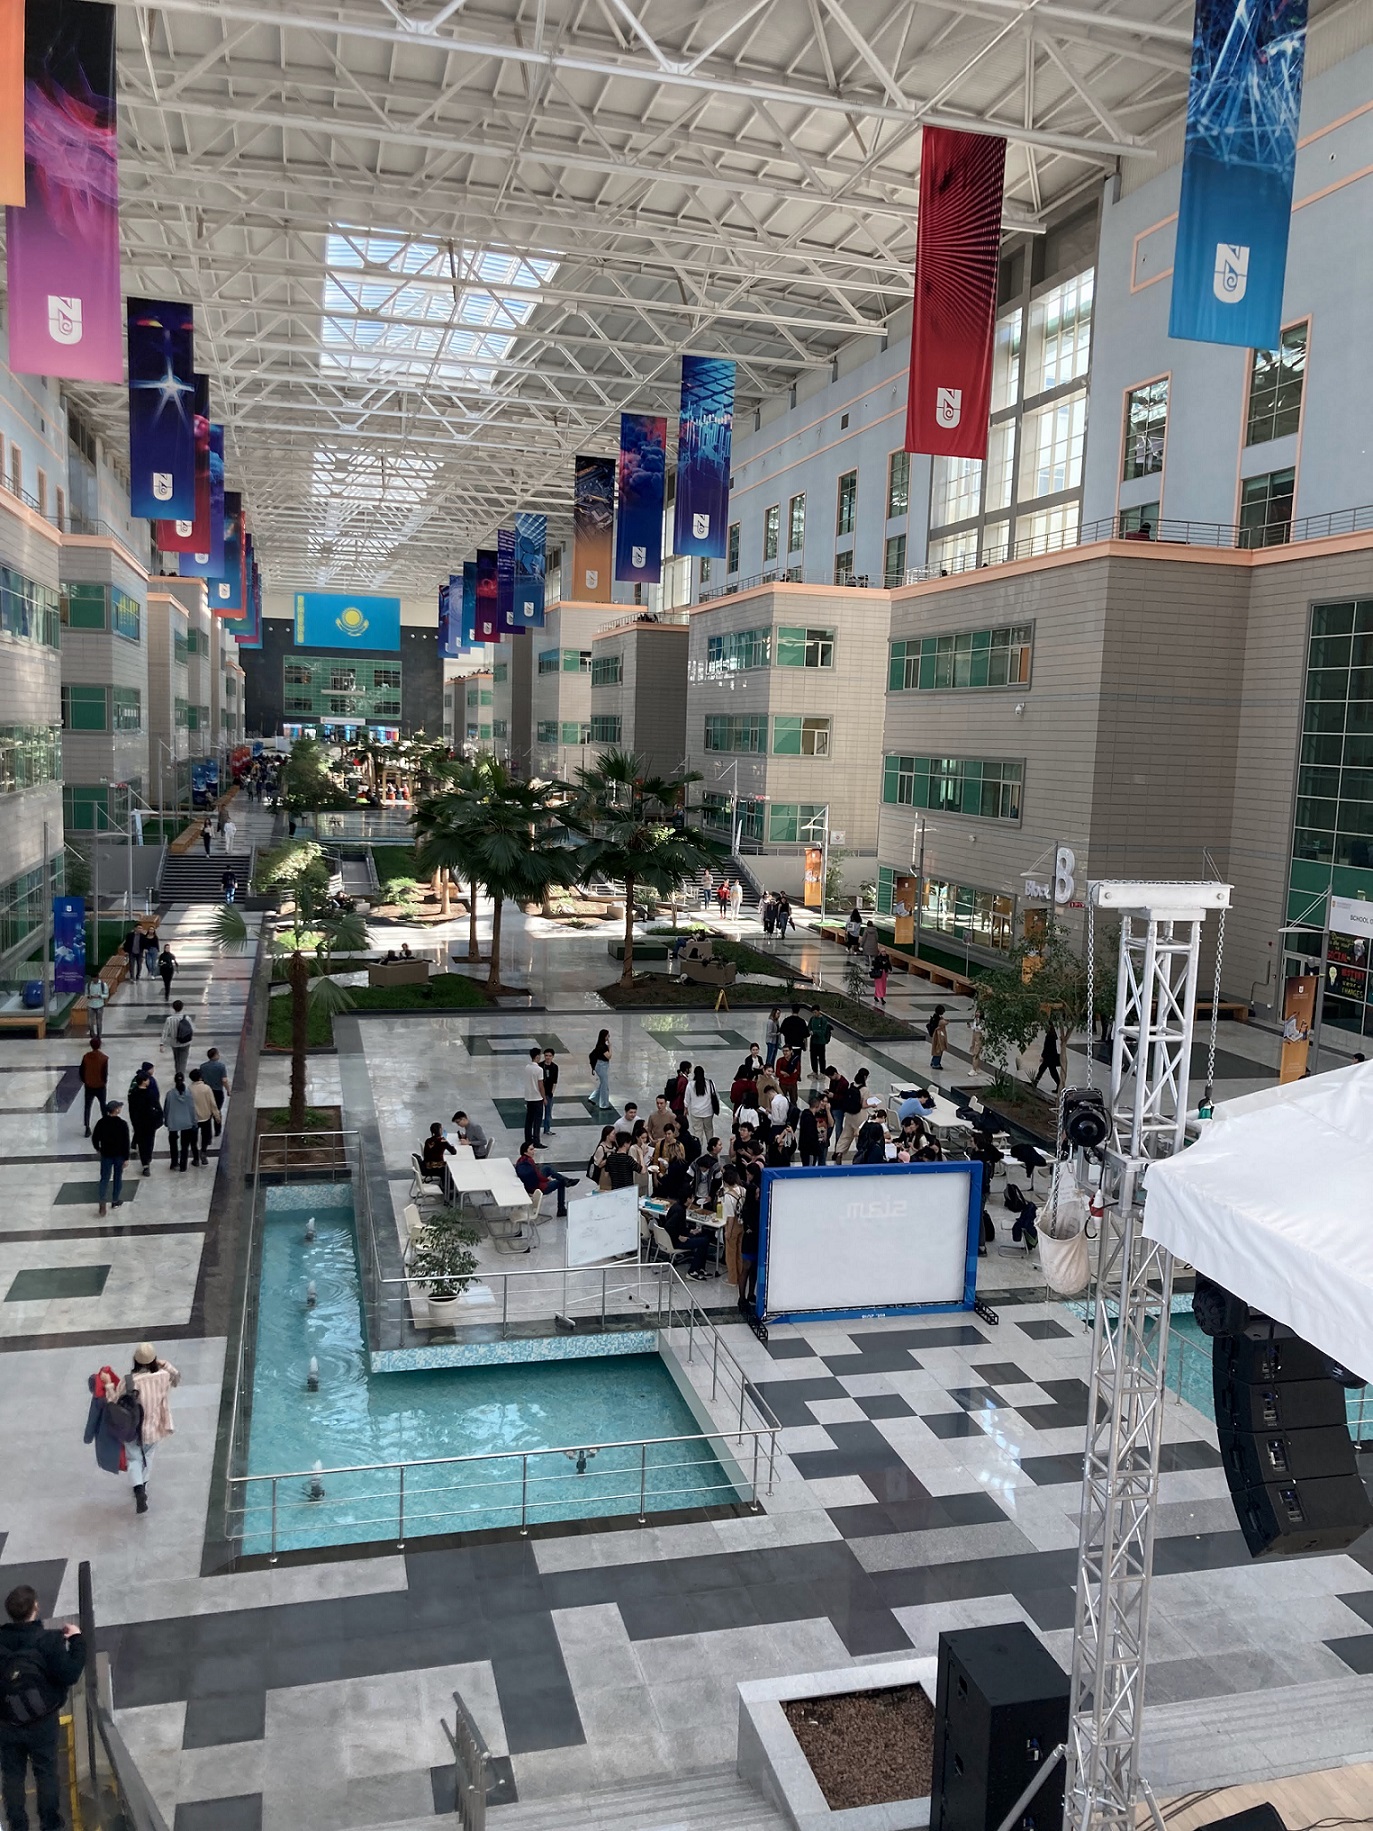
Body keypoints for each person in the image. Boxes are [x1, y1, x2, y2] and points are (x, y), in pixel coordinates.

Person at [0, 1584, 86, 1831]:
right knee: (46, 1772)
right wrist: (77, 1640)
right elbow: (70, 1674)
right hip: (42, 1721)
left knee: (12, 1775)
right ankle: (50, 1823)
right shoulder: (48, 1641)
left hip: (7, 1722)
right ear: (35, 1608)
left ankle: (17, 1825)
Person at [123, 1343, 180, 1512]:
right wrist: (166, 1365)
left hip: (132, 1429)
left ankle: (138, 1488)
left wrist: (108, 1386)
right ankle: (144, 1484)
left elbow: (114, 1399)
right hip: (153, 1427)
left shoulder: (129, 1381)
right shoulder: (163, 1377)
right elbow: (176, 1378)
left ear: (135, 1361)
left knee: (134, 1459)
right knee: (148, 1455)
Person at [515, 1142, 576, 1217]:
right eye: (531, 1149)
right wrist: (547, 1180)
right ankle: (561, 1209)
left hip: (529, 1184)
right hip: (537, 1187)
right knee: (560, 1183)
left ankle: (566, 1180)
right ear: (525, 1152)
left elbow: (535, 1175)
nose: (534, 1151)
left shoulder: (520, 1160)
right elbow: (537, 1176)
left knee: (546, 1168)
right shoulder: (529, 1161)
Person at [92, 1100, 130, 1216]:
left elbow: (95, 1138)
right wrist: (126, 1157)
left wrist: (98, 1149)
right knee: (118, 1178)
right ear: (116, 1110)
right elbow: (126, 1142)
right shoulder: (122, 1124)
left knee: (104, 1178)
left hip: (106, 1155)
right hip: (119, 1155)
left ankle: (102, 1201)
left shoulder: (101, 1122)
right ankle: (115, 1200)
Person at [127, 1068, 162, 1176]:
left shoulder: (133, 1094)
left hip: (139, 1123)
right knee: (149, 1142)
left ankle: (145, 1163)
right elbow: (157, 1107)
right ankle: (148, 1159)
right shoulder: (150, 1093)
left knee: (141, 1143)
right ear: (143, 1081)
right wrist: (159, 1119)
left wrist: (134, 1122)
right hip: (150, 1123)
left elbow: (131, 1110)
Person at [833, 1068, 870, 1162]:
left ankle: (839, 1152)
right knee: (859, 1135)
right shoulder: (865, 1089)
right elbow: (864, 1105)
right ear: (865, 1077)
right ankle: (860, 1155)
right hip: (859, 1115)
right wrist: (872, 1104)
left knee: (846, 1135)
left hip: (849, 1114)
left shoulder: (852, 1085)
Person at [163, 1074, 197, 1171]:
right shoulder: (189, 1093)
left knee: (173, 1143)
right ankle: (183, 1166)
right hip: (187, 1122)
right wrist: (194, 1121)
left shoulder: (170, 1094)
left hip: (173, 1121)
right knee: (185, 1145)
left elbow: (167, 1108)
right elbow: (192, 1108)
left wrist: (166, 1120)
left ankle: (174, 1163)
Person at [80, 1037, 109, 1135]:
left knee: (87, 1106)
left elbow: (81, 1071)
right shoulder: (104, 1058)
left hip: (89, 1085)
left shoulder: (86, 1057)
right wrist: (104, 1082)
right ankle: (106, 1125)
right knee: (103, 1106)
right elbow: (104, 1073)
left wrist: (85, 1081)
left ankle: (87, 1128)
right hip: (100, 1086)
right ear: (100, 1045)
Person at [188, 1070, 217, 1166]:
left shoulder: (189, 1089)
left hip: (193, 1118)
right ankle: (203, 1152)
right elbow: (212, 1103)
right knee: (205, 1136)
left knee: (193, 1139)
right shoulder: (206, 1088)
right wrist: (217, 1115)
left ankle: (195, 1158)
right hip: (205, 1117)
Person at [684, 1066, 718, 1148]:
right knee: (709, 1130)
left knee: (697, 1132)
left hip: (696, 1113)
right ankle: (712, 1148)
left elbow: (686, 1099)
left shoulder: (690, 1085)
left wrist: (685, 1109)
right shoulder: (710, 1083)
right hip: (708, 1112)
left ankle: (698, 1149)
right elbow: (714, 1095)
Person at [521, 1046, 547, 1148]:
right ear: (537, 1056)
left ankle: (528, 1139)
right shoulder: (539, 1070)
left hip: (529, 1097)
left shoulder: (527, 1068)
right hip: (537, 1098)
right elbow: (540, 1085)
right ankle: (536, 1141)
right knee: (537, 1121)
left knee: (529, 1120)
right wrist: (544, 1097)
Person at [690, 1136, 724, 1210]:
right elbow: (689, 1178)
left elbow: (717, 1182)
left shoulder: (715, 1166)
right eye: (719, 1145)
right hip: (696, 1194)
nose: (721, 1147)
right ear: (713, 1147)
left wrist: (711, 1196)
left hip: (708, 1196)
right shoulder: (696, 1164)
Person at [162, 998, 194, 1077]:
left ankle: (177, 1074)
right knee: (183, 1060)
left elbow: (165, 1032)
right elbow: (192, 1029)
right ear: (182, 1007)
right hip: (185, 1043)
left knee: (176, 1059)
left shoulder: (169, 1019)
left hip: (174, 1043)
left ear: (173, 1008)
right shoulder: (187, 1018)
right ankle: (181, 1075)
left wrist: (162, 1043)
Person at [198, 1047, 228, 1128]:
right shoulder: (221, 1066)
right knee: (217, 1110)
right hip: (217, 1091)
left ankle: (207, 1128)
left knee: (207, 1110)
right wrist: (228, 1090)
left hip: (206, 1091)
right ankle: (217, 1128)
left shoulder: (203, 1067)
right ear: (215, 1055)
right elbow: (224, 1080)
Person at [799, 1092, 831, 1166]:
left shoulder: (804, 1114)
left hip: (804, 1148)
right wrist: (817, 1149)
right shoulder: (810, 1119)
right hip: (810, 1150)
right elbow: (811, 1136)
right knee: (809, 1168)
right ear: (817, 1106)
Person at [1030, 1025, 1062, 1093]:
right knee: (1050, 1070)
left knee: (1045, 1069)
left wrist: (1043, 1056)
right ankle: (1059, 1085)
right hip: (1051, 1056)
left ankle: (1035, 1082)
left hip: (1049, 1057)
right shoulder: (1052, 1036)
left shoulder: (1049, 1037)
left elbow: (1047, 1048)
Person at [589, 1029, 612, 1110]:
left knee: (603, 1083)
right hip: (601, 1066)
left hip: (602, 1066)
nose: (608, 1037)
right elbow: (609, 1056)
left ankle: (592, 1098)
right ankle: (604, 1104)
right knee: (605, 1086)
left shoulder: (600, 1045)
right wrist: (610, 1047)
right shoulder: (602, 1047)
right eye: (607, 1036)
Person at [540, 1047, 559, 1139]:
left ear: (553, 1057)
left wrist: (551, 1092)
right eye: (546, 1055)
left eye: (550, 1056)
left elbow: (555, 1081)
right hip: (539, 1093)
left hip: (548, 1093)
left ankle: (547, 1129)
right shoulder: (540, 1066)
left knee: (548, 1112)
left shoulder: (555, 1067)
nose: (548, 1057)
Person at [808, 1007, 832, 1077]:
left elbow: (823, 1031)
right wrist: (809, 1031)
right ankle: (814, 1071)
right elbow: (809, 1027)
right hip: (813, 1041)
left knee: (821, 1057)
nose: (814, 1014)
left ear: (819, 1011)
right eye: (813, 1012)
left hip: (821, 1042)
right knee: (813, 1057)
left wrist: (814, 1032)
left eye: (815, 1012)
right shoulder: (812, 1019)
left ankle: (822, 1072)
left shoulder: (823, 1020)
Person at [85, 975, 108, 1042]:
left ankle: (99, 1037)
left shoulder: (103, 985)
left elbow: (106, 995)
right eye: (93, 978)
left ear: (98, 978)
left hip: (99, 1005)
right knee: (90, 1022)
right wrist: (89, 996)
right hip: (91, 1005)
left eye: (95, 978)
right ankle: (92, 1035)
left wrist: (100, 996)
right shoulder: (88, 985)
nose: (94, 979)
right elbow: (86, 994)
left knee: (98, 1022)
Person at [928, 1004, 948, 1072]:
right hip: (938, 1037)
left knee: (936, 1049)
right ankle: (936, 1063)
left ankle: (933, 1061)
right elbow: (945, 1022)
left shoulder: (934, 1017)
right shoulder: (938, 1020)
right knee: (938, 1049)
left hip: (935, 1036)